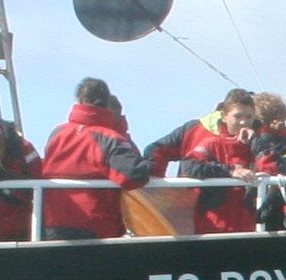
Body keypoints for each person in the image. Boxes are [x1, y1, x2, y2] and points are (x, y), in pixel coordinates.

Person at [37, 76, 150, 239]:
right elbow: (133, 177)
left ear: (79, 100)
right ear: (107, 101)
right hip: (94, 223)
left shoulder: (57, 133)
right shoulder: (108, 137)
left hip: (51, 222)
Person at [149, 88, 256, 235]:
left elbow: (275, 164)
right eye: (238, 116)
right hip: (201, 215)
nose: (243, 122)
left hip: (245, 221)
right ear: (225, 116)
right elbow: (159, 152)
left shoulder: (258, 140)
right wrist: (157, 191)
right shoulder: (201, 135)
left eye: (249, 117)